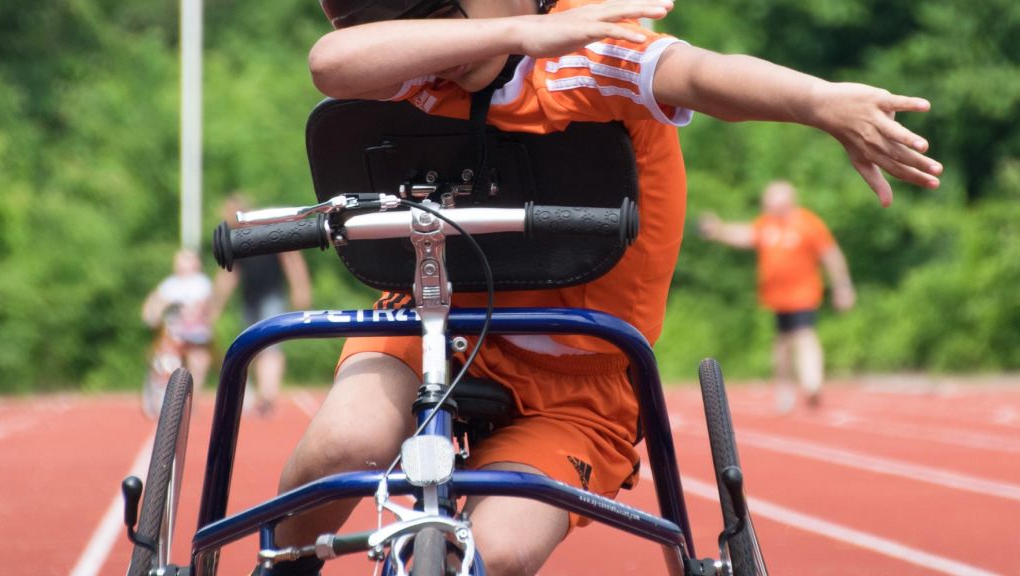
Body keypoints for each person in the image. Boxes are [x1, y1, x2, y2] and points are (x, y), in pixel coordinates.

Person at [267, 0, 943, 574]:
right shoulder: (419, 67)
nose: (438, 34)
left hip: (579, 380)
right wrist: (507, 35)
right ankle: (282, 564)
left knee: (494, 553)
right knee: (341, 445)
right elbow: (332, 62)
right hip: (434, 322)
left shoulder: (588, 53)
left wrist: (821, 101)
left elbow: (704, 75)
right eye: (426, 16)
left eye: (450, 8)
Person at [699, 181, 855, 412]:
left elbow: (831, 255)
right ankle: (785, 391)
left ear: (787, 201)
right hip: (777, 298)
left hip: (803, 294)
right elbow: (746, 235)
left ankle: (812, 383)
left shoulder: (808, 223)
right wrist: (719, 230)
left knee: (804, 335)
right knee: (782, 344)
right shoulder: (767, 224)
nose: (768, 206)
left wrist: (843, 286)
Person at [211, 194, 313, 417]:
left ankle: (268, 396)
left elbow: (291, 258)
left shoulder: (266, 231)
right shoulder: (235, 239)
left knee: (270, 344)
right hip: (250, 297)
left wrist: (301, 289)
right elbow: (230, 275)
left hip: (271, 294)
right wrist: (216, 304)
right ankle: (263, 395)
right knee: (253, 346)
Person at [140, 248, 214, 416]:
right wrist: (152, 314)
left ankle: (191, 402)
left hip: (196, 334)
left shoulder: (201, 283)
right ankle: (165, 399)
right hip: (174, 334)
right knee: (167, 361)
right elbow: (156, 302)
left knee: (199, 362)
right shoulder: (171, 284)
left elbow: (203, 306)